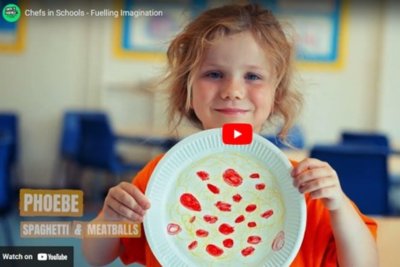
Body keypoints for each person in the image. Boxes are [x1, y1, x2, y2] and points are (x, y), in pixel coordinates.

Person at [82, 3, 378, 267]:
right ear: (188, 91)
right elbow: (96, 256)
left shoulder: (300, 185)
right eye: (214, 74)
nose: (233, 91)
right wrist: (110, 217)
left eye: (253, 76)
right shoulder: (162, 177)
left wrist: (337, 204)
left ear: (277, 94)